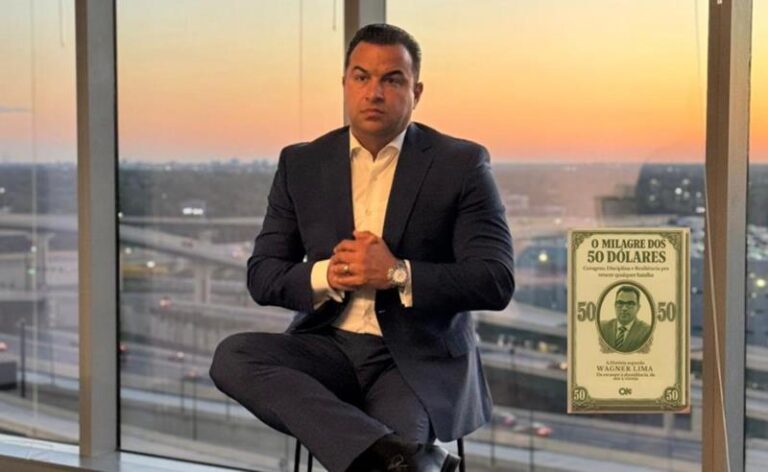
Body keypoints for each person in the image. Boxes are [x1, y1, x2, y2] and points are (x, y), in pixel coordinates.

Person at [210, 24, 514, 472]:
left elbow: (495, 279)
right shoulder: (302, 163)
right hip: (327, 347)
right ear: (345, 84)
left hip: (414, 359)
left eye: (392, 79)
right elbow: (263, 275)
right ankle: (406, 458)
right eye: (361, 77)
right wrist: (326, 275)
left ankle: (393, 455)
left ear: (416, 92)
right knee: (233, 357)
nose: (374, 92)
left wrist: (396, 273)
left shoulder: (460, 164)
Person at [599, 285, 652, 352]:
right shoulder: (602, 328)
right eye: (620, 303)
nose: (624, 308)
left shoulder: (647, 332)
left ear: (638, 308)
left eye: (630, 304)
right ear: (615, 305)